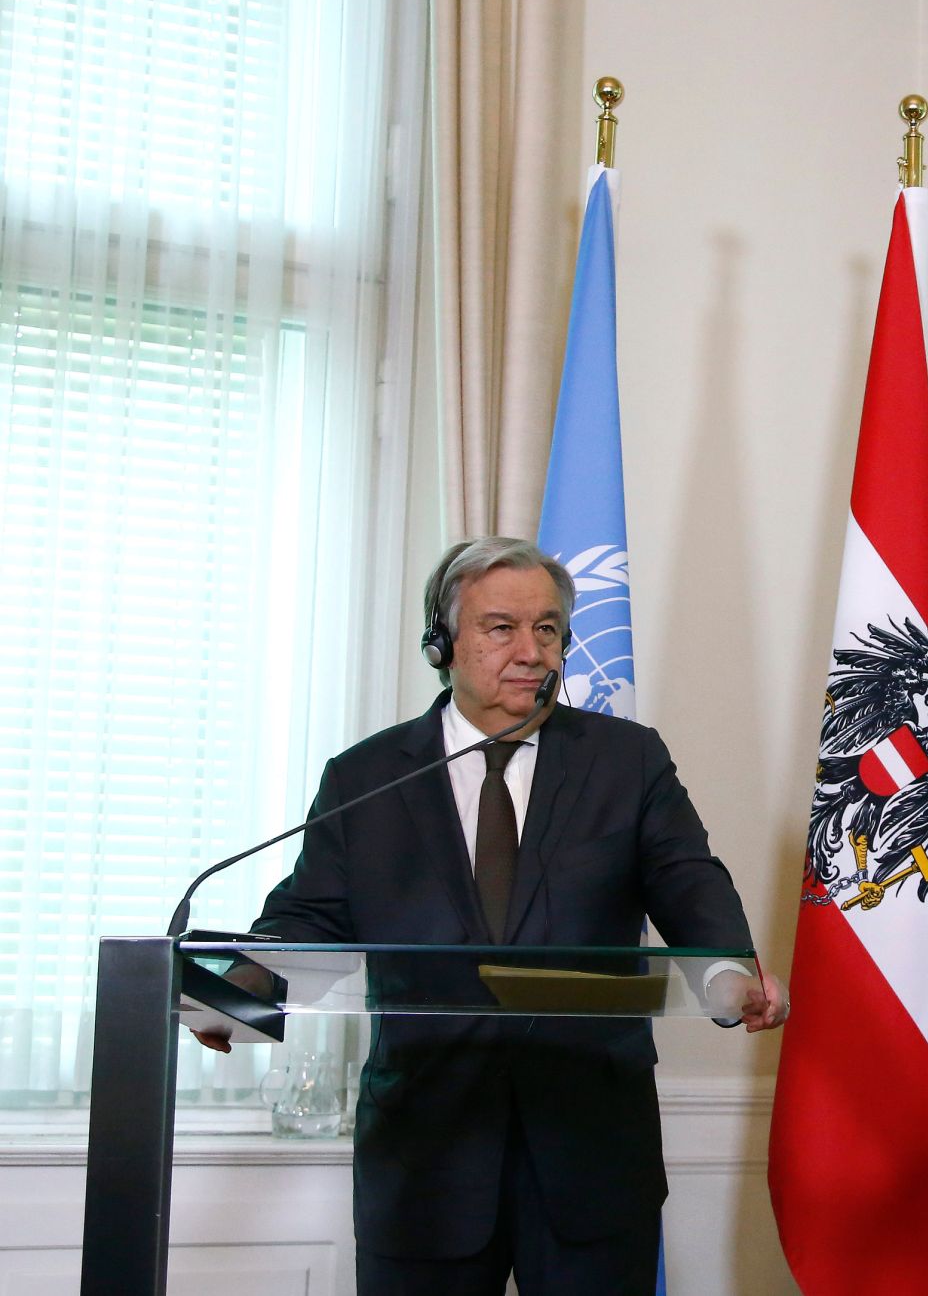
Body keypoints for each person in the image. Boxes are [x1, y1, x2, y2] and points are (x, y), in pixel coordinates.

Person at [196, 536, 786, 1294]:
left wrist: (732, 970)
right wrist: (233, 998)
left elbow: (688, 880)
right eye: (501, 627)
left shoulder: (626, 761)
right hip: (425, 1165)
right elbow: (307, 918)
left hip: (590, 1158)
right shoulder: (367, 778)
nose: (531, 650)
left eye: (547, 629)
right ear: (441, 644)